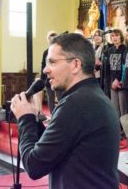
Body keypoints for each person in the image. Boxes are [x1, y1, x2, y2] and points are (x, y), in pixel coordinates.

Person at [10, 33, 120, 189]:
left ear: (75, 64)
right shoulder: (92, 95)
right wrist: (34, 117)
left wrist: (25, 119)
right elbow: (55, 147)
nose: (46, 70)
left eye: (52, 62)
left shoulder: (76, 104)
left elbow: (34, 166)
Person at [107, 29, 126, 117]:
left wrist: (118, 79)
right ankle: (117, 128)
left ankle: (124, 129)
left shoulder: (125, 49)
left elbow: (124, 67)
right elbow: (109, 67)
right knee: (115, 108)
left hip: (122, 81)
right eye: (113, 36)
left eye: (117, 35)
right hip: (112, 82)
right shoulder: (110, 50)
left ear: (121, 37)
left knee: (123, 108)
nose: (114, 38)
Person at [40, 31, 59, 113]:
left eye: (54, 39)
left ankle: (60, 114)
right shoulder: (45, 52)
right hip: (48, 78)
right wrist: (42, 79)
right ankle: (52, 115)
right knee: (50, 98)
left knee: (60, 96)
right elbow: (43, 65)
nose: (52, 41)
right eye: (51, 40)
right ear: (48, 40)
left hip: (58, 77)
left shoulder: (60, 51)